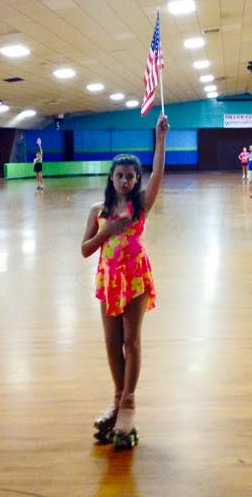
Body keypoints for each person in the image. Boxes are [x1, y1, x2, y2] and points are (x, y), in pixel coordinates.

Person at [80, 113, 169, 450]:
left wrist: (160, 140)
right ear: (111, 177)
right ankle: (117, 398)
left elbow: (158, 175)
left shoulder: (141, 205)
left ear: (136, 179)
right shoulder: (98, 210)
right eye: (120, 175)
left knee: (131, 340)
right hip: (108, 279)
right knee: (112, 342)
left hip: (135, 277)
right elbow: (85, 249)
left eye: (131, 176)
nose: (125, 180)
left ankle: (129, 402)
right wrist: (107, 231)